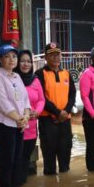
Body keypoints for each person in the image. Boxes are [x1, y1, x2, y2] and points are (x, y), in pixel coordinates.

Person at [0, 45, 30, 187]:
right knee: (7, 159)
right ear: (0, 59)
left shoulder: (16, 76)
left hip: (19, 123)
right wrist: (19, 118)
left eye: (14, 56)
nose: (11, 59)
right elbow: (2, 103)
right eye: (7, 56)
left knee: (17, 158)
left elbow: (25, 99)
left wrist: (25, 116)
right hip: (3, 124)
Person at [35, 42, 76, 175]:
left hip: (65, 120)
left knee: (65, 155)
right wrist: (58, 113)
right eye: (51, 55)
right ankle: (50, 185)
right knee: (49, 157)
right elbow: (41, 97)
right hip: (47, 121)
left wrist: (66, 112)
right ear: (46, 58)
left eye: (57, 54)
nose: (55, 57)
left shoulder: (66, 74)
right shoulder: (40, 74)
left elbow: (72, 94)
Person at [14, 49, 45, 183]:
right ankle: (14, 183)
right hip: (16, 124)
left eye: (28, 62)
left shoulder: (35, 80)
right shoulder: (12, 78)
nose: (25, 64)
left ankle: (21, 185)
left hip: (31, 126)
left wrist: (37, 111)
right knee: (16, 157)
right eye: (22, 61)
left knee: (26, 156)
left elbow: (41, 99)